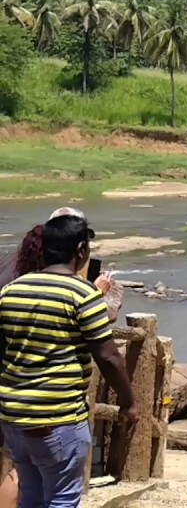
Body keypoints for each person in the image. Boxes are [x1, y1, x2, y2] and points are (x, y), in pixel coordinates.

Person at [0, 212, 138, 507]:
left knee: (31, 494)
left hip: (14, 419)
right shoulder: (83, 294)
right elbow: (109, 356)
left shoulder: (12, 291)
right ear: (81, 251)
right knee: (62, 497)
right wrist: (128, 403)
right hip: (57, 419)